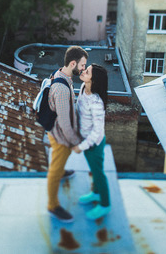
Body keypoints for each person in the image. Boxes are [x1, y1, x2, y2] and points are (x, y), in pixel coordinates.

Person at [47, 46, 88, 223]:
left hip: (54, 130)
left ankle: (62, 171)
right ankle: (53, 205)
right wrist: (74, 143)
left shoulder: (60, 75)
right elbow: (64, 123)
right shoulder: (62, 89)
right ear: (73, 63)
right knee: (54, 171)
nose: (84, 69)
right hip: (60, 137)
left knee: (59, 166)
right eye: (82, 65)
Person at [73, 63, 110, 220]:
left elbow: (97, 132)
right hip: (85, 139)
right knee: (94, 170)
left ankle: (105, 205)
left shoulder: (96, 103)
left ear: (93, 81)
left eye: (87, 72)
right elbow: (78, 108)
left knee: (98, 173)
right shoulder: (82, 87)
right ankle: (95, 194)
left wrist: (82, 146)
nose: (83, 71)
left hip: (93, 144)